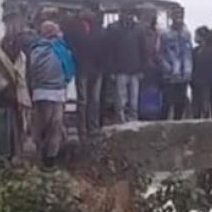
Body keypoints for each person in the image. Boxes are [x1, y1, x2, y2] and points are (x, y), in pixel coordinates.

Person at [27, 21, 75, 166]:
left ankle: (42, 154)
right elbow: (69, 70)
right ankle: (51, 157)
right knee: (55, 125)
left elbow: (31, 71)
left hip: (40, 93)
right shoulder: (62, 50)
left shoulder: (35, 50)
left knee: (42, 125)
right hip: (57, 93)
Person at [0, 26, 29, 160]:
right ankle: (2, 159)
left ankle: (12, 157)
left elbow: (22, 79)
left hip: (13, 100)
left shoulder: (21, 58)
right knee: (0, 134)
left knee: (14, 133)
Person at [65, 9, 105, 138]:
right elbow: (71, 45)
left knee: (94, 101)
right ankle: (82, 129)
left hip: (96, 69)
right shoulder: (74, 27)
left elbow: (104, 48)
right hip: (82, 67)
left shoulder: (98, 29)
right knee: (83, 101)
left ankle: (93, 127)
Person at [159, 7, 194, 121]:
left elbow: (189, 53)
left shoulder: (187, 33)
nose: (179, 17)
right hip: (170, 76)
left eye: (181, 15)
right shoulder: (165, 34)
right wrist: (167, 69)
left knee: (180, 105)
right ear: (172, 17)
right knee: (167, 104)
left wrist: (189, 71)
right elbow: (160, 53)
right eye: (176, 15)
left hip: (184, 76)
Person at [108, 13, 143, 123]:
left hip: (135, 69)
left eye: (130, 13)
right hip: (120, 69)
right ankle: (120, 120)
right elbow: (110, 51)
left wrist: (142, 69)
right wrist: (112, 70)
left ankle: (133, 120)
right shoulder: (113, 28)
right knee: (121, 99)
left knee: (134, 100)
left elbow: (143, 50)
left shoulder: (139, 29)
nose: (127, 16)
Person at [191, 26, 212, 119]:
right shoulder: (195, 51)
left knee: (205, 105)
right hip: (195, 83)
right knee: (195, 106)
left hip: (206, 83)